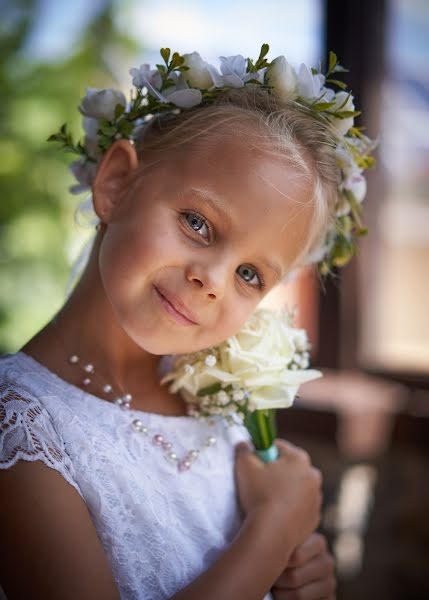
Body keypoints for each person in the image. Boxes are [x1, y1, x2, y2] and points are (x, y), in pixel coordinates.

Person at [0, 45, 373, 599]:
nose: (214, 280)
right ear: (117, 184)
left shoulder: (214, 402)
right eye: (197, 222)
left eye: (250, 274)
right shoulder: (21, 431)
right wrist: (274, 529)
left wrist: (294, 575)